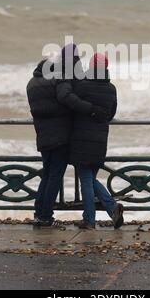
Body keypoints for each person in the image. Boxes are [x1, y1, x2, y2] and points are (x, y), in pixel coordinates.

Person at [26, 48, 106, 227]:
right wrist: (91, 109)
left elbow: (40, 109)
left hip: (43, 135)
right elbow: (65, 98)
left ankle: (39, 214)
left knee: (46, 175)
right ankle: (46, 216)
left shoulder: (32, 83)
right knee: (55, 176)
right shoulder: (58, 77)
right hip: (61, 135)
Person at [56, 52, 124, 229]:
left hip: (81, 138)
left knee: (86, 179)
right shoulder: (111, 89)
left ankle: (91, 219)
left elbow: (71, 103)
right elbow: (111, 113)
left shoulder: (83, 86)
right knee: (90, 178)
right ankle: (111, 209)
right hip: (101, 139)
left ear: (92, 66)